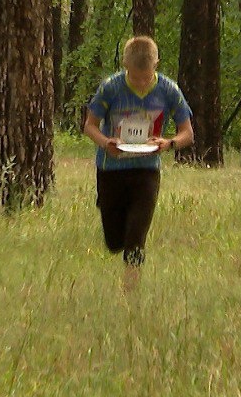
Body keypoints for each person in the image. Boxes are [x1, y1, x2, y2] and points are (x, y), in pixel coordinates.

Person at [83, 36, 194, 291]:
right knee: (114, 241)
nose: (142, 82)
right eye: (136, 77)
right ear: (125, 66)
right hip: (111, 170)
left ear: (156, 65)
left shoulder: (168, 90)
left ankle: (130, 294)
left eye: (147, 76)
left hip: (146, 170)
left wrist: (169, 143)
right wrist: (105, 142)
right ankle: (109, 212)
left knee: (136, 237)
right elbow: (90, 126)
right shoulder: (110, 87)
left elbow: (187, 132)